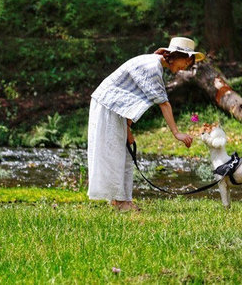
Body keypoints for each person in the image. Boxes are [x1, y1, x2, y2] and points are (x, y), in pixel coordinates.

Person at [87, 37, 205, 211]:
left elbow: (129, 96)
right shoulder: (152, 67)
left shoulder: (153, 64)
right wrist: (176, 133)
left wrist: (127, 128)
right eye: (186, 61)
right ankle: (121, 202)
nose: (186, 66)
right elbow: (163, 103)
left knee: (125, 154)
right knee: (114, 154)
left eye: (189, 63)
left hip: (115, 109)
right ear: (174, 55)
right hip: (107, 106)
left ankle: (122, 200)